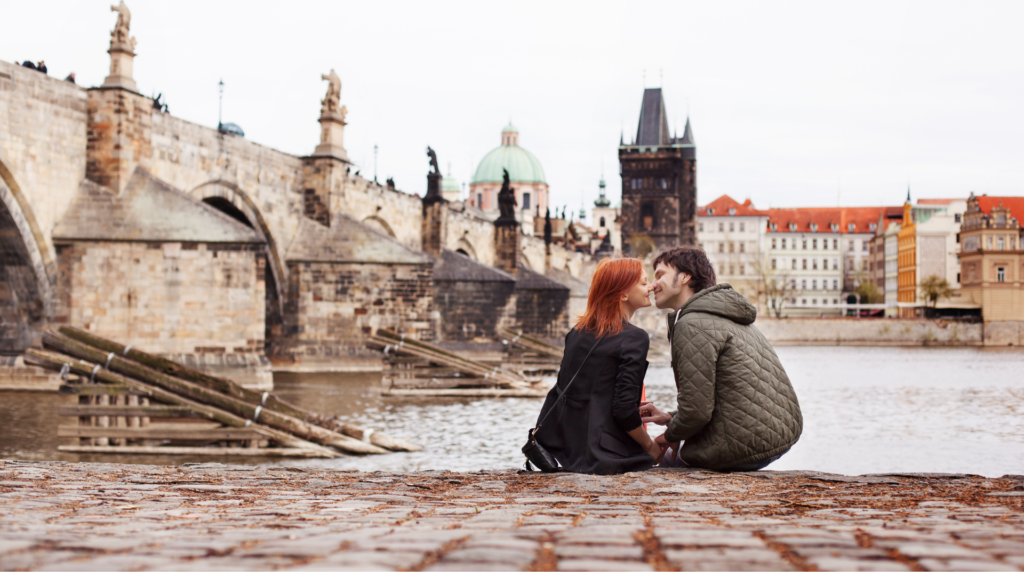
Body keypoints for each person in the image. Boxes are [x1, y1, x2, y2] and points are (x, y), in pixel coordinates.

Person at [641, 247, 802, 471]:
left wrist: (668, 436)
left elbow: (698, 411)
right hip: (775, 434)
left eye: (660, 275)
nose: (653, 284)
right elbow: (725, 395)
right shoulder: (722, 315)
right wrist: (671, 417)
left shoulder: (693, 323)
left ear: (686, 276)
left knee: (657, 467)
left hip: (741, 443)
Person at [530, 257, 661, 474]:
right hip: (605, 456)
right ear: (623, 294)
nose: (650, 287)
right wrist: (650, 446)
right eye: (643, 283)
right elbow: (623, 410)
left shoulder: (577, 332)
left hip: (568, 452)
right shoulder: (635, 337)